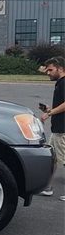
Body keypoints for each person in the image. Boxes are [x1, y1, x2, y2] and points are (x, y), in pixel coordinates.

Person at [39, 56, 65, 200]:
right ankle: (48, 187)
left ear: (60, 68)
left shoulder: (63, 82)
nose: (48, 72)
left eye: (50, 70)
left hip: (62, 130)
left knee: (62, 159)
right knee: (52, 158)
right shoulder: (60, 83)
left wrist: (49, 113)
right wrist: (50, 109)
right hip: (58, 129)